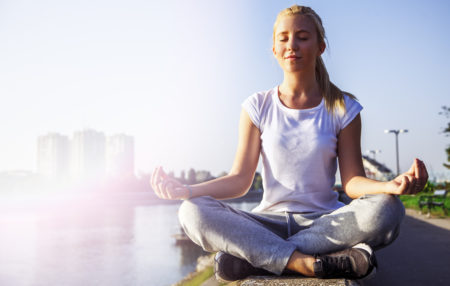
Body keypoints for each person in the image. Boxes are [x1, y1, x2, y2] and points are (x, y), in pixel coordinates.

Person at [150, 4, 428, 282]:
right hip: (267, 223)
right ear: (274, 49)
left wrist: (388, 187)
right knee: (191, 210)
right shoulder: (257, 106)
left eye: (302, 37)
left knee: (389, 209)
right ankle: (303, 262)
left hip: (324, 222)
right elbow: (239, 180)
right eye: (283, 38)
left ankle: (259, 259)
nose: (291, 45)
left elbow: (352, 181)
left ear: (320, 46)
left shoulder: (344, 108)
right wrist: (186, 189)